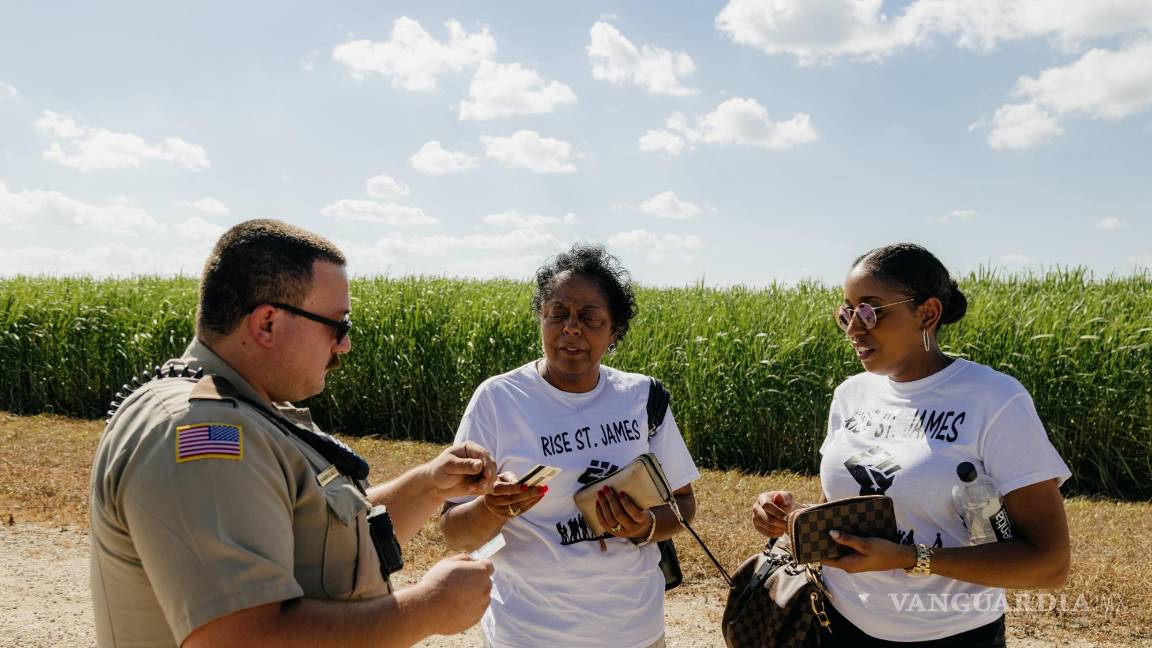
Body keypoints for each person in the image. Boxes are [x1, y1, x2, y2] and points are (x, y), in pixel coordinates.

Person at [90, 219, 498, 648]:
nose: (344, 346)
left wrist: (428, 485)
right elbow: (241, 639)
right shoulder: (205, 435)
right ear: (266, 323)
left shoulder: (246, 411)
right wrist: (427, 608)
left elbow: (324, 539)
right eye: (338, 326)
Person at [752, 243, 1071, 647]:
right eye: (846, 312)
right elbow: (863, 511)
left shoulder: (994, 399)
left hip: (951, 634)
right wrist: (794, 518)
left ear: (928, 313)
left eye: (870, 310)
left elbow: (1049, 564)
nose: (853, 328)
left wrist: (910, 559)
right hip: (838, 623)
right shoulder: (850, 394)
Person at [439, 243, 700, 648]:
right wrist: (494, 507)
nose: (571, 328)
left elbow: (683, 504)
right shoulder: (498, 400)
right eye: (557, 314)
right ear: (540, 320)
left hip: (634, 633)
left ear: (614, 331)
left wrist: (644, 527)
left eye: (590, 318)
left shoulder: (642, 397)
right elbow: (454, 531)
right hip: (528, 634)